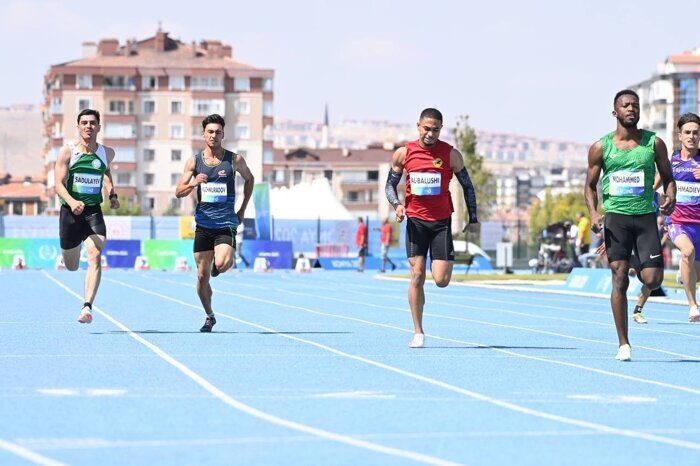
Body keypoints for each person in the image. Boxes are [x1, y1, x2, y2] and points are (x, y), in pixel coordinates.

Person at [584, 90, 676, 361]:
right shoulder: (601, 147)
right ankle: (624, 343)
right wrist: (592, 213)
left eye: (634, 105)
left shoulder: (653, 143)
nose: (630, 109)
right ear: (615, 113)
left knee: (653, 279)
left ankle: (637, 260)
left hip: (646, 217)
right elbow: (589, 186)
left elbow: (668, 178)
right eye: (625, 106)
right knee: (619, 277)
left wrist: (670, 196)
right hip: (616, 218)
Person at [385, 108, 479, 348]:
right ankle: (418, 331)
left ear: (440, 129)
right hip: (415, 221)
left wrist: (474, 217)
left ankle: (435, 279)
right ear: (418, 126)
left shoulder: (451, 155)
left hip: (441, 223)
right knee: (417, 274)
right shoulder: (403, 153)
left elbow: (467, 187)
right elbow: (390, 185)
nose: (430, 134)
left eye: (435, 130)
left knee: (441, 280)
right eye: (426, 129)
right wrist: (397, 205)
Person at [175, 114, 254, 332]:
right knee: (201, 277)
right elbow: (178, 192)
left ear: (223, 135)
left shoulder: (234, 160)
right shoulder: (194, 161)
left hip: (226, 222)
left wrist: (242, 209)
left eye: (218, 132)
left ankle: (217, 266)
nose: (214, 135)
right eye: (210, 132)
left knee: (222, 263)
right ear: (203, 134)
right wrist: (193, 183)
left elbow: (250, 179)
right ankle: (209, 315)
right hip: (203, 225)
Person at [54, 109, 119, 324]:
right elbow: (58, 184)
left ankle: (87, 306)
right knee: (72, 265)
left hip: (93, 212)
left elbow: (106, 172)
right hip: (70, 213)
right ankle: (73, 248)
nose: (88, 126)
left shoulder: (107, 153)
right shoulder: (67, 152)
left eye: (92, 123)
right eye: (84, 123)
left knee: (95, 254)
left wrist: (112, 194)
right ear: (78, 126)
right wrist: (72, 202)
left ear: (99, 127)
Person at [662, 112, 700, 322]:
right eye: (688, 132)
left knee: (695, 272)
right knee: (688, 252)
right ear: (680, 135)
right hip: (678, 222)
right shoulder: (671, 162)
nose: (692, 136)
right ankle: (693, 306)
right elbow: (653, 186)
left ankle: (684, 275)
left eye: (696, 133)